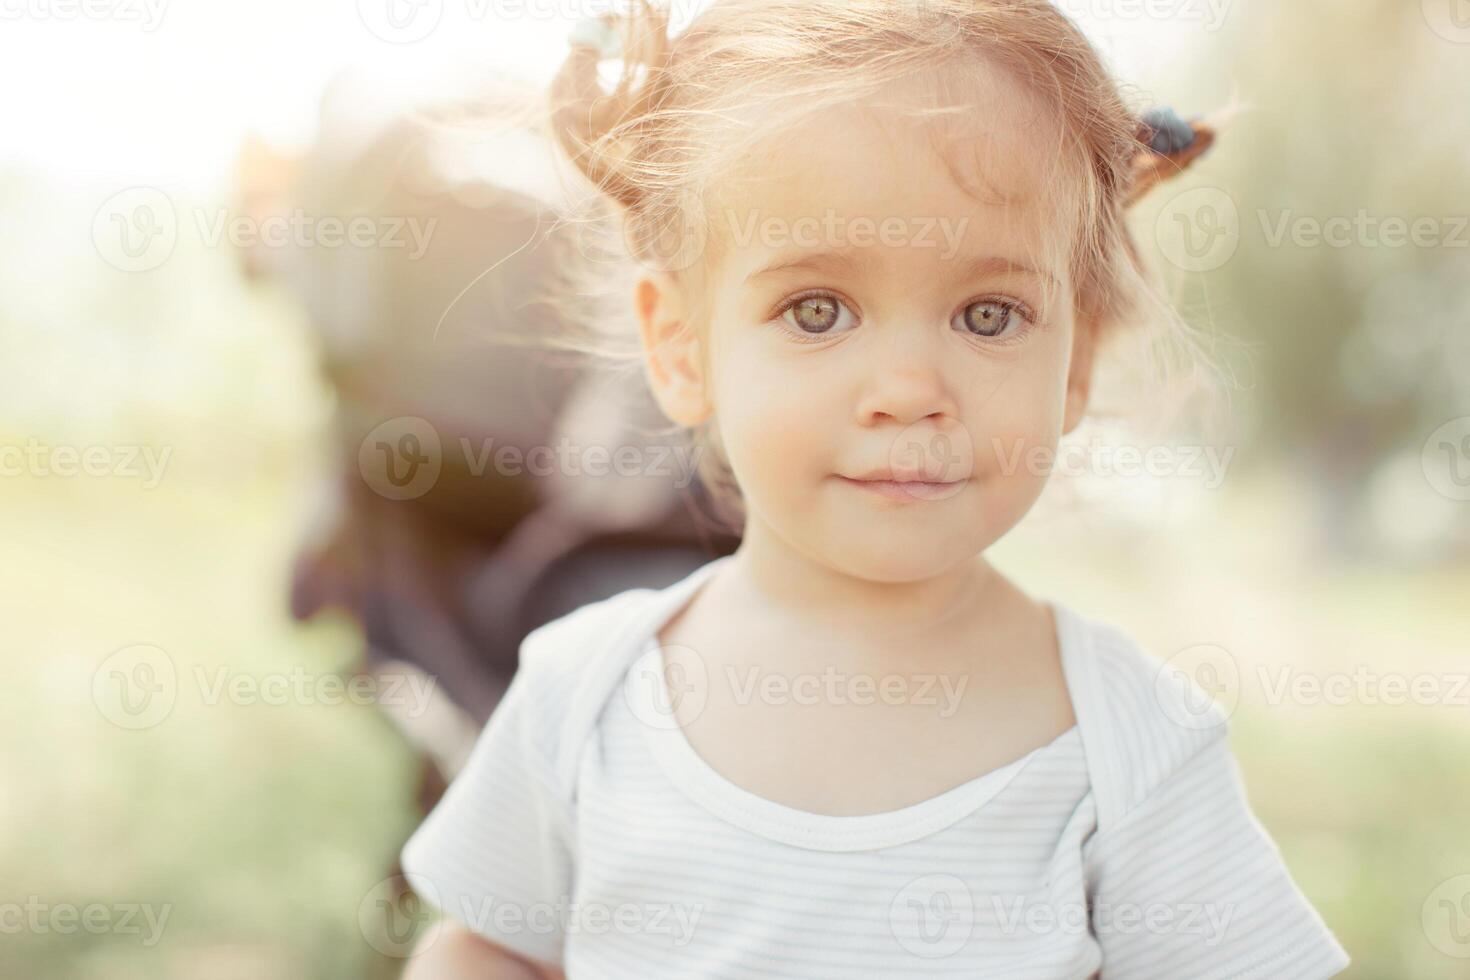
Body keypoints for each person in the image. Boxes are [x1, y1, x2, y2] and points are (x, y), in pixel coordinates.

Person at [398, 2, 1352, 976]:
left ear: (1078, 358)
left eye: (989, 313)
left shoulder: (1131, 747)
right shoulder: (583, 697)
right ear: (682, 346)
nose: (908, 391)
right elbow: (486, 947)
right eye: (817, 310)